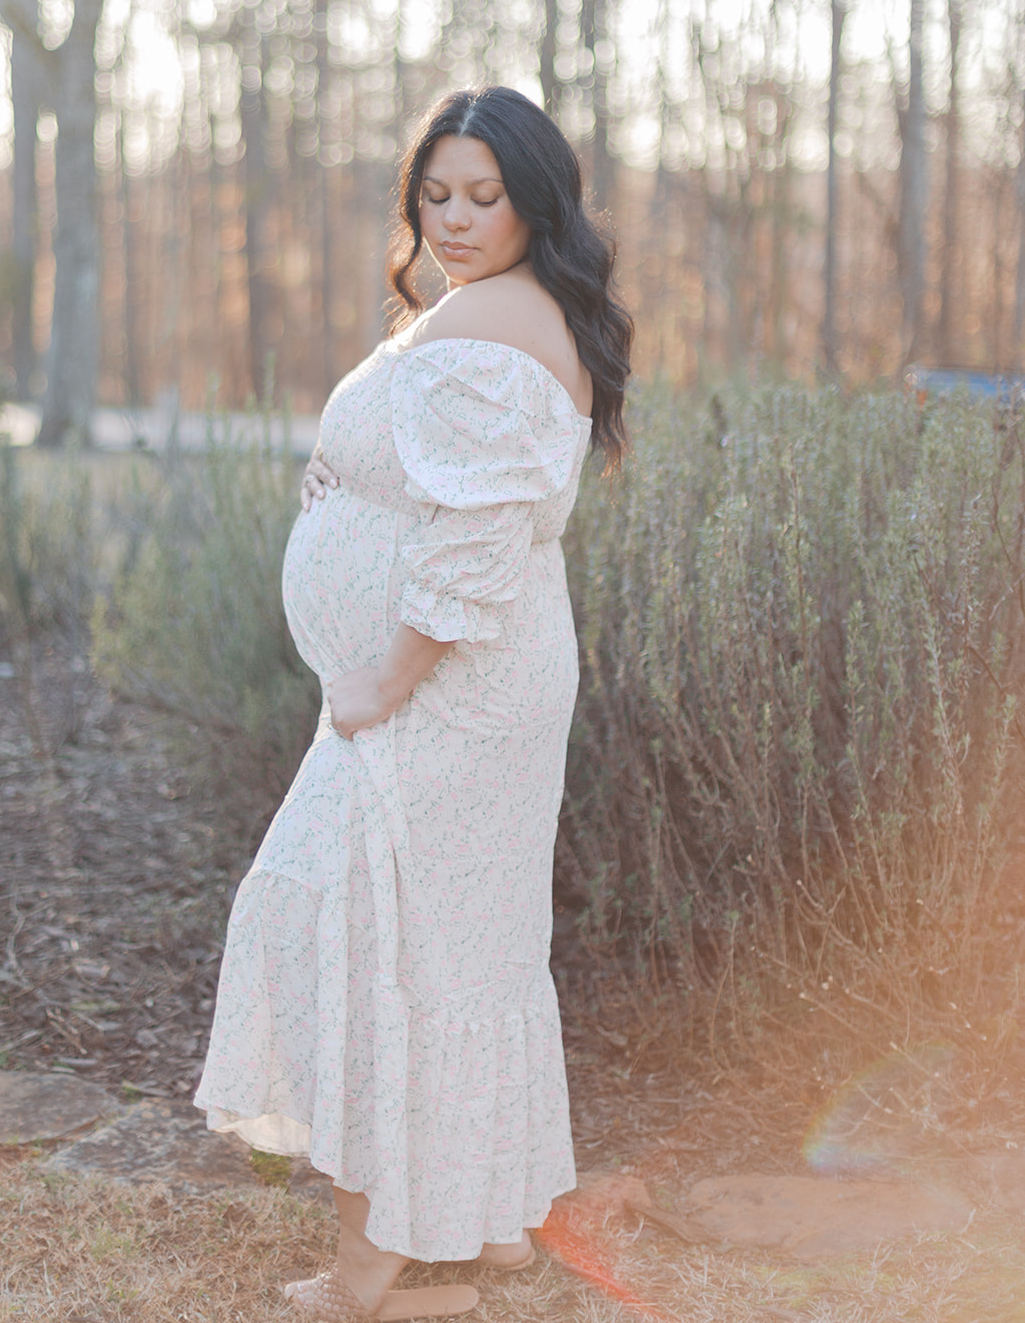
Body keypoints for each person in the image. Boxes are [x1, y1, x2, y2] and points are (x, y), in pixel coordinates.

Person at [194, 86, 633, 1322]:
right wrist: (342, 487)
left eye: (484, 196)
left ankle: (369, 1276)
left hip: (444, 695)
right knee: (453, 948)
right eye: (435, 194)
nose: (454, 218)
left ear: (537, 202)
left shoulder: (499, 321)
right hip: (455, 689)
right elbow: (442, 482)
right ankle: (484, 1227)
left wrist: (385, 680)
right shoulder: (501, 308)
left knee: (364, 936)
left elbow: (477, 541)